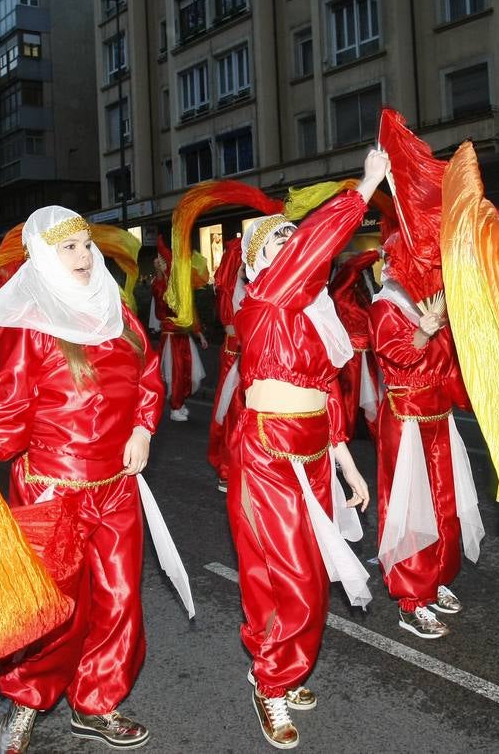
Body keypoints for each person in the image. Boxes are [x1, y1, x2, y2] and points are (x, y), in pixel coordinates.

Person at [0, 207, 164, 754]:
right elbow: (5, 408)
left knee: (119, 598)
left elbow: (147, 377)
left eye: (86, 244)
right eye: (69, 248)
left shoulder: (117, 313)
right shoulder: (29, 324)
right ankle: (27, 702)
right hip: (52, 488)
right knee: (53, 608)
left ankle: (97, 702)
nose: (83, 256)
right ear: (42, 257)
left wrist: (144, 430)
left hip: (117, 484)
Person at [230, 150, 382, 749]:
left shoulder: (313, 319)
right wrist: (365, 187)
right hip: (268, 456)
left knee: (308, 575)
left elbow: (325, 396)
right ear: (258, 266)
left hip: (315, 453)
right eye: (278, 243)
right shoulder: (264, 305)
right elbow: (308, 254)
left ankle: (282, 668)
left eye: (294, 237)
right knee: (284, 575)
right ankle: (270, 683)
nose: (292, 247)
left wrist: (347, 468)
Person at [370, 274, 481, 640]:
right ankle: (412, 599)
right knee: (411, 509)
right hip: (406, 420)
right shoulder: (385, 306)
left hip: (439, 417)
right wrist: (425, 329)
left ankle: (436, 580)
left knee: (445, 504)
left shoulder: (434, 300)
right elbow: (399, 353)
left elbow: (449, 364)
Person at [328, 248, 381, 442]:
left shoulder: (365, 293)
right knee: (349, 401)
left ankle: (379, 441)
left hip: (370, 353)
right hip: (352, 357)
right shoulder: (339, 289)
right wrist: (376, 254)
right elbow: (351, 268)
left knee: (375, 400)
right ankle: (342, 443)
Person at [148, 249, 207, 422]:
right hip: (171, 338)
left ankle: (180, 403)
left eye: (165, 261)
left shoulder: (179, 285)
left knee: (187, 373)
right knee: (177, 374)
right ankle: (175, 407)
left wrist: (199, 334)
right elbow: (160, 298)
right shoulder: (160, 284)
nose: (163, 264)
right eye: (160, 262)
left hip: (183, 336)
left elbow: (189, 312)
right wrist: (160, 273)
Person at [207, 236, 245, 492]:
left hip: (237, 353)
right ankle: (228, 470)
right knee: (235, 415)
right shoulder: (234, 289)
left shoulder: (228, 288)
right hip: (238, 356)